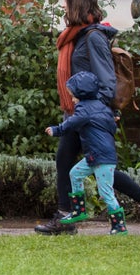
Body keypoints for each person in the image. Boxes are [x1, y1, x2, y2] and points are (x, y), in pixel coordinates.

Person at [35, 0, 140, 235]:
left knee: (96, 165)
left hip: (90, 113)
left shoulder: (93, 37)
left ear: (76, 3)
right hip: (78, 111)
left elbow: (107, 79)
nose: (62, 5)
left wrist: (100, 110)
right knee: (67, 162)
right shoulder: (76, 35)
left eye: (65, 0)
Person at [46, 71, 128, 235]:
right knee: (75, 173)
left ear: (81, 94)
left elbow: (71, 123)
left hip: (102, 158)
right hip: (94, 156)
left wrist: (56, 130)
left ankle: (119, 226)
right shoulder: (102, 107)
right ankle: (78, 210)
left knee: (106, 193)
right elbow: (112, 126)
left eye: (73, 95)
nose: (72, 99)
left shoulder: (84, 109)